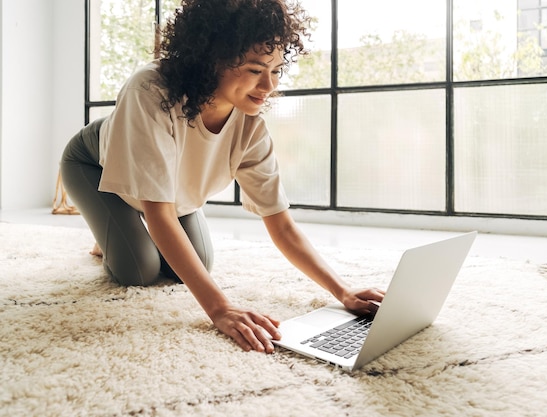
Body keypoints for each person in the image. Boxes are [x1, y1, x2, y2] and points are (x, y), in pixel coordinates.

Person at [60, 0, 384, 354]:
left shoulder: (250, 125)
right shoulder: (150, 92)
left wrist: (342, 290)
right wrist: (220, 309)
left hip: (171, 195)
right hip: (93, 164)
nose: (269, 85)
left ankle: (118, 229)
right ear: (211, 57)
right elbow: (159, 214)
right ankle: (107, 231)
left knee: (199, 264)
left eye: (276, 70)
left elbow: (282, 225)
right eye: (255, 69)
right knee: (139, 270)